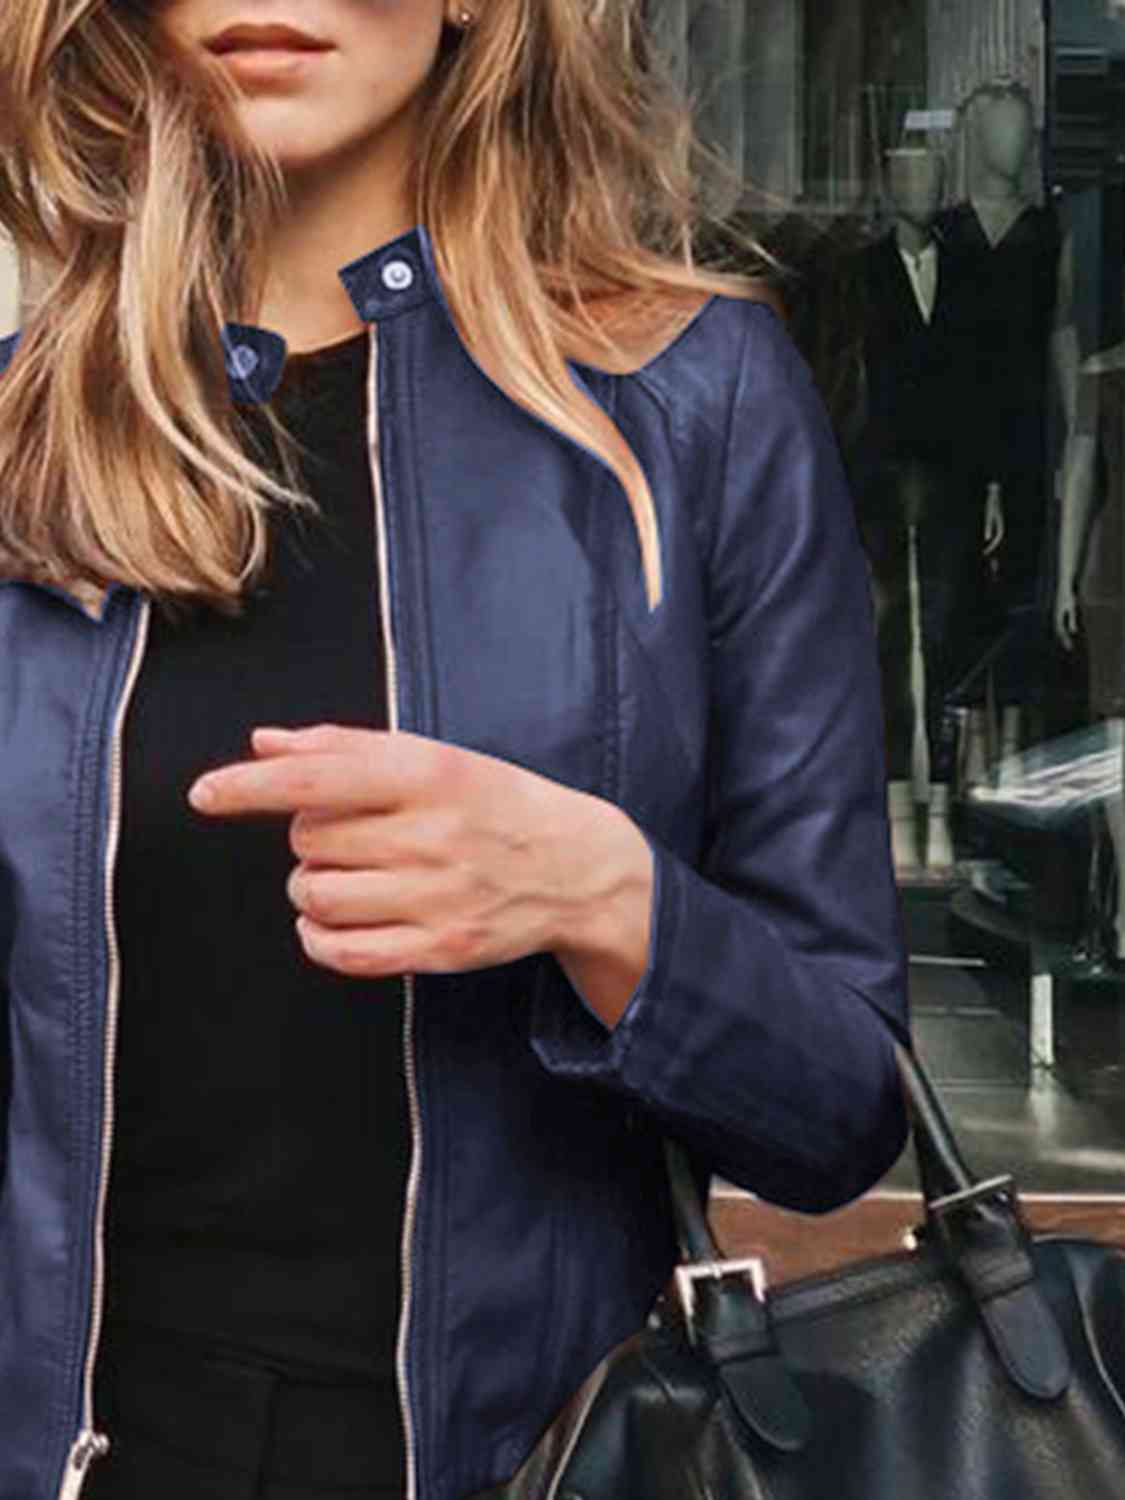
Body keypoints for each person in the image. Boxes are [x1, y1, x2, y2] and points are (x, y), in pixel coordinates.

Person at [0, 3, 913, 1499]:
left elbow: (840, 1117)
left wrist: (604, 897)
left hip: (527, 1460)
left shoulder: (695, 402)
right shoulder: (25, 431)